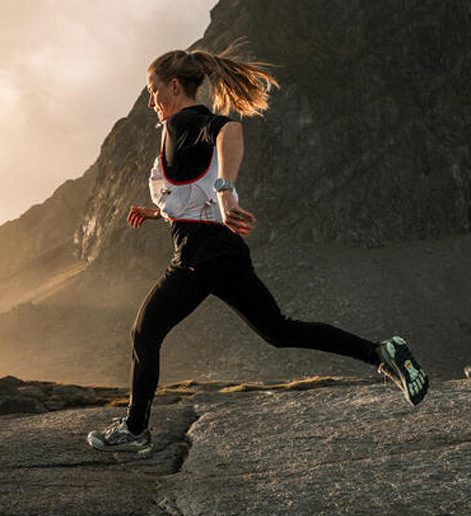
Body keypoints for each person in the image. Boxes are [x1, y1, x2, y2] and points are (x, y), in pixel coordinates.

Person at [88, 44, 428, 456]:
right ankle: (382, 353)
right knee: (279, 331)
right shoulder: (180, 129)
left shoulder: (183, 122)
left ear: (174, 86)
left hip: (200, 254)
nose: (150, 102)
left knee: (145, 332)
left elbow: (230, 130)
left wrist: (225, 190)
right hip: (223, 250)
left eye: (153, 91)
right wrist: (159, 212)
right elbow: (193, 194)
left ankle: (135, 430)